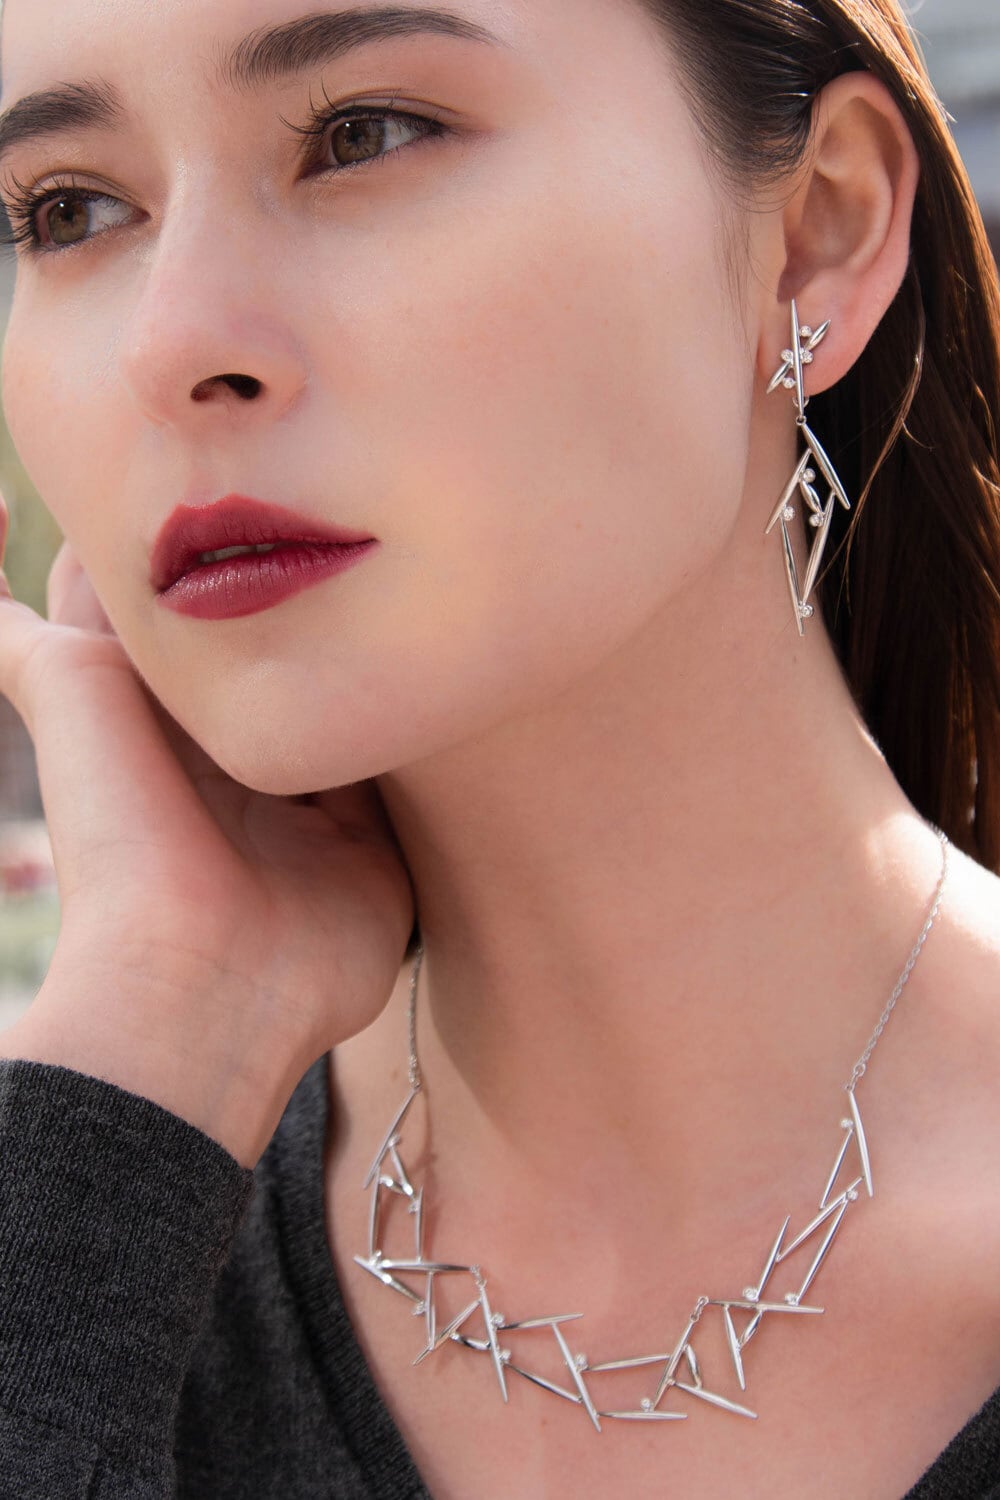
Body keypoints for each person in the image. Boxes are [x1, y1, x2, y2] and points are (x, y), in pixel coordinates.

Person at [0, 0, 999, 1493]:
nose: (170, 343)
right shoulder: (98, 1226)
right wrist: (156, 1024)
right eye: (69, 211)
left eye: (363, 135)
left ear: (819, 231)